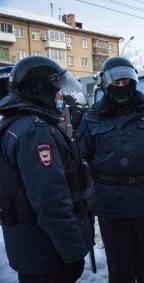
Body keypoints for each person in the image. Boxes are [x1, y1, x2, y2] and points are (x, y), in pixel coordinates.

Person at [78, 57, 144, 282]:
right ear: (105, 85)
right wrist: (80, 200)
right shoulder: (93, 118)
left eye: (125, 81)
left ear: (133, 81)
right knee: (119, 269)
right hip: (110, 204)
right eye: (115, 83)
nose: (121, 86)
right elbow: (80, 161)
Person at [0, 56, 93, 282]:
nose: (60, 96)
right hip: (47, 253)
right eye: (56, 90)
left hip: (33, 249)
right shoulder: (35, 131)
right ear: (40, 90)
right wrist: (72, 252)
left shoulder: (16, 123)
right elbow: (51, 202)